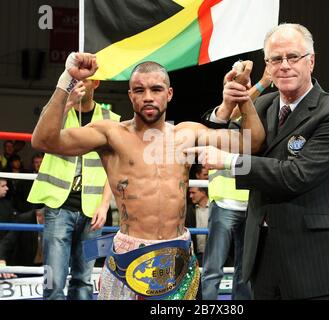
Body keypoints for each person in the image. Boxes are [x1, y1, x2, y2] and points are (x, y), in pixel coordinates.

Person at [30, 52, 263, 300]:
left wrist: (243, 99)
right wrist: (68, 79)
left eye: (156, 89)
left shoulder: (187, 134)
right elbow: (43, 140)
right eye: (139, 90)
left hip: (178, 254)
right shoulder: (111, 134)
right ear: (130, 96)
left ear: (169, 94)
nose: (148, 97)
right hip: (128, 255)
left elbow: (251, 143)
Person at [186, 23, 329, 300]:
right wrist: (227, 105)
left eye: (293, 57)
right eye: (276, 59)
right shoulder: (263, 106)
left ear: (311, 61)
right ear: (268, 65)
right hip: (262, 260)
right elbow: (217, 136)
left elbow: (296, 175)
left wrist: (231, 162)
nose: (285, 65)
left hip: (315, 262)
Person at [27, 79, 120, 300]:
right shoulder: (56, 112)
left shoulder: (112, 120)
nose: (79, 83)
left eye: (84, 79)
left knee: (84, 280)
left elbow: (114, 168)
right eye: (74, 79)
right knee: (54, 280)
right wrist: (67, 103)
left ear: (95, 83)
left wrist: (105, 204)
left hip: (93, 213)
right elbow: (40, 137)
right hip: (59, 207)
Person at [199, 66, 271, 300]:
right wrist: (262, 81)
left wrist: (259, 84)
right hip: (224, 203)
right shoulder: (219, 117)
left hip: (250, 204)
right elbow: (227, 114)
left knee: (245, 270)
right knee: (212, 268)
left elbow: (248, 112)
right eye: (236, 85)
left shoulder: (256, 119)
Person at [185, 187, 209, 266]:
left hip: (213, 255)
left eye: (193, 193)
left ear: (203, 193)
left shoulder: (216, 208)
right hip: (195, 255)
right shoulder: (188, 210)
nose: (190, 196)